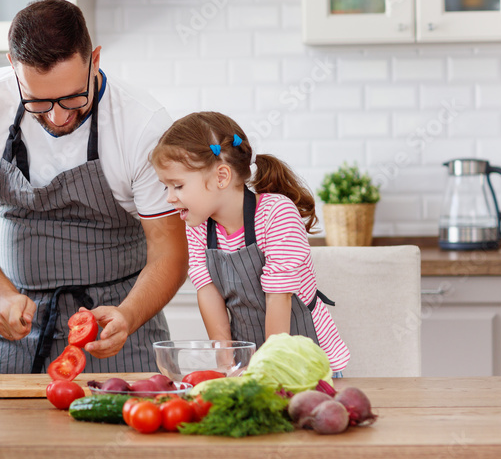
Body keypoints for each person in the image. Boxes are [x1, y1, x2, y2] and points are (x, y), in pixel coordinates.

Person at [0, 0, 189, 374]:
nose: (57, 117)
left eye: (73, 98)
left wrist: (128, 315)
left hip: (116, 323)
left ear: (96, 60)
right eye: (38, 102)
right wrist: (1, 297)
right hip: (16, 325)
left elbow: (170, 248)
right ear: (12, 67)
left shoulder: (142, 123)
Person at [149, 111, 350, 373]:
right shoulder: (199, 226)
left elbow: (279, 298)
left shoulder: (276, 214)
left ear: (222, 177)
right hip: (248, 366)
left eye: (177, 186)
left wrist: (272, 369)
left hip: (304, 361)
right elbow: (208, 293)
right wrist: (226, 364)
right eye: (166, 187)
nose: (169, 198)